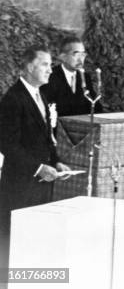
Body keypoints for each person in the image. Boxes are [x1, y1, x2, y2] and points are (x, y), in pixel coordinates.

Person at [0, 45, 71, 280]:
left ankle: (36, 281)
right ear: (30, 67)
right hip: (21, 184)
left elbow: (47, 136)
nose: (50, 70)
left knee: (37, 236)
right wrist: (39, 168)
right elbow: (7, 145)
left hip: (43, 182)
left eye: (50, 65)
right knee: (16, 239)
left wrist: (57, 162)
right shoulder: (13, 99)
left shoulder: (43, 95)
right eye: (45, 65)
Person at [41, 36, 103, 116]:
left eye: (83, 55)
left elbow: (95, 106)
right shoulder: (50, 77)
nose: (81, 60)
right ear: (63, 57)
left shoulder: (85, 77)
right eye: (76, 55)